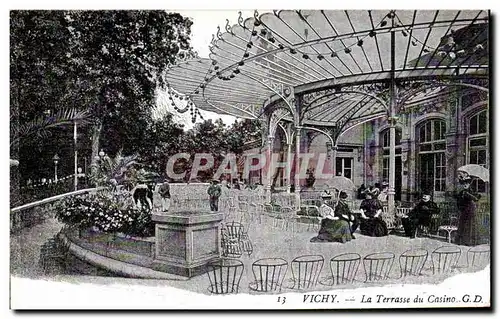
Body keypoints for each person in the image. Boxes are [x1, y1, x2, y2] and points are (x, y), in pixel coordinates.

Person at [454, 176, 481, 246]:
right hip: (464, 210)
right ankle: (462, 241)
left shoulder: (472, 191)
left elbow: (477, 198)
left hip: (471, 210)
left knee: (470, 225)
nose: (465, 185)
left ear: (469, 184)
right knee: (462, 224)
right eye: (464, 184)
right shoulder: (462, 192)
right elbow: (458, 200)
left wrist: (468, 195)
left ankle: (470, 242)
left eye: (467, 183)